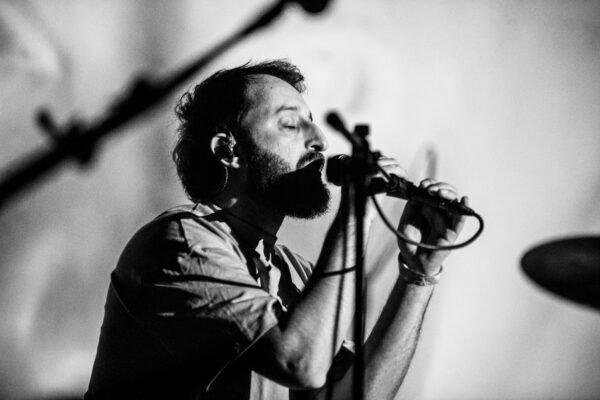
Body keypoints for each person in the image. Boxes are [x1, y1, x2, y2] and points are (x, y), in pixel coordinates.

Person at [85, 60, 467, 400]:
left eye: (313, 124)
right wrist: (357, 211)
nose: (320, 141)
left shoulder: (294, 273)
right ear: (227, 149)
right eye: (290, 124)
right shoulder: (180, 243)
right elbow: (300, 362)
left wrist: (419, 273)